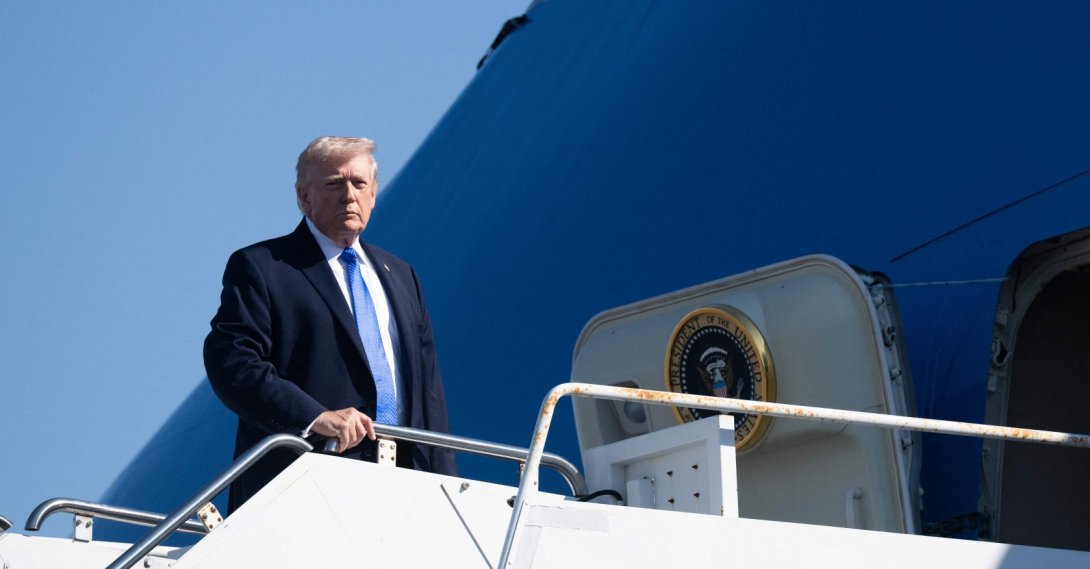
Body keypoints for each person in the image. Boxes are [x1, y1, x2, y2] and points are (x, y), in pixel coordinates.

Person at [204, 136, 455, 512]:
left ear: (373, 194)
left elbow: (428, 395)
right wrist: (314, 417)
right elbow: (233, 363)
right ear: (304, 197)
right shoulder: (264, 267)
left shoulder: (402, 277)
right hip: (303, 484)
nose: (349, 195)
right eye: (334, 184)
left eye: (359, 184)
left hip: (403, 486)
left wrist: (446, 491)